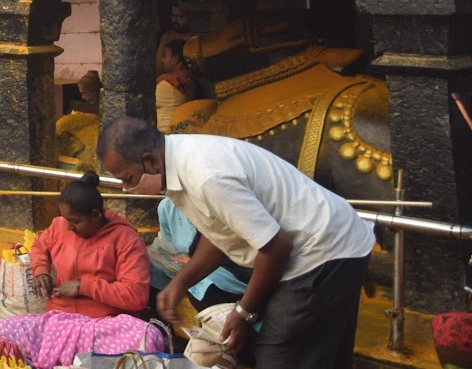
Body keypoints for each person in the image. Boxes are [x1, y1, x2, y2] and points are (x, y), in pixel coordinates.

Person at [99, 116, 376, 369]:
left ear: (151, 161)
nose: (126, 188)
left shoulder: (206, 176)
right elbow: (222, 233)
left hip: (325, 249)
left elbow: (275, 247)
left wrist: (243, 312)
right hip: (330, 242)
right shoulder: (179, 160)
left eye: (128, 178)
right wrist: (180, 283)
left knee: (278, 356)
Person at [28, 172, 151, 318]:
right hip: (60, 317)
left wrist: (83, 287)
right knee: (5, 328)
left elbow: (136, 296)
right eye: (66, 219)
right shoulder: (59, 226)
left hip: (105, 322)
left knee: (149, 337)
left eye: (75, 221)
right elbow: (38, 246)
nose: (68, 227)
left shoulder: (126, 239)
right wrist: (40, 270)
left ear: (96, 214)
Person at [148, 197, 250, 313]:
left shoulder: (211, 199)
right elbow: (169, 249)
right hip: (186, 271)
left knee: (203, 284)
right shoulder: (166, 207)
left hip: (227, 272)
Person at [155, 40, 194, 132]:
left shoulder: (169, 85)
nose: (161, 60)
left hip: (162, 134)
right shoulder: (188, 79)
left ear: (176, 59)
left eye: (164, 55)